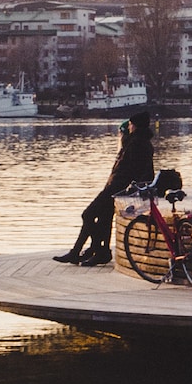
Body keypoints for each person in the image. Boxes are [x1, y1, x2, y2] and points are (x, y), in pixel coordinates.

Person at [54, 109, 155, 267]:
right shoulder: (136, 142)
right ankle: (89, 251)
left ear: (135, 126)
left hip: (117, 188)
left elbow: (131, 171)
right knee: (104, 218)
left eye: (130, 125)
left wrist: (124, 188)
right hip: (115, 187)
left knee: (88, 214)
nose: (128, 128)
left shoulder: (137, 144)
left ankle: (96, 251)